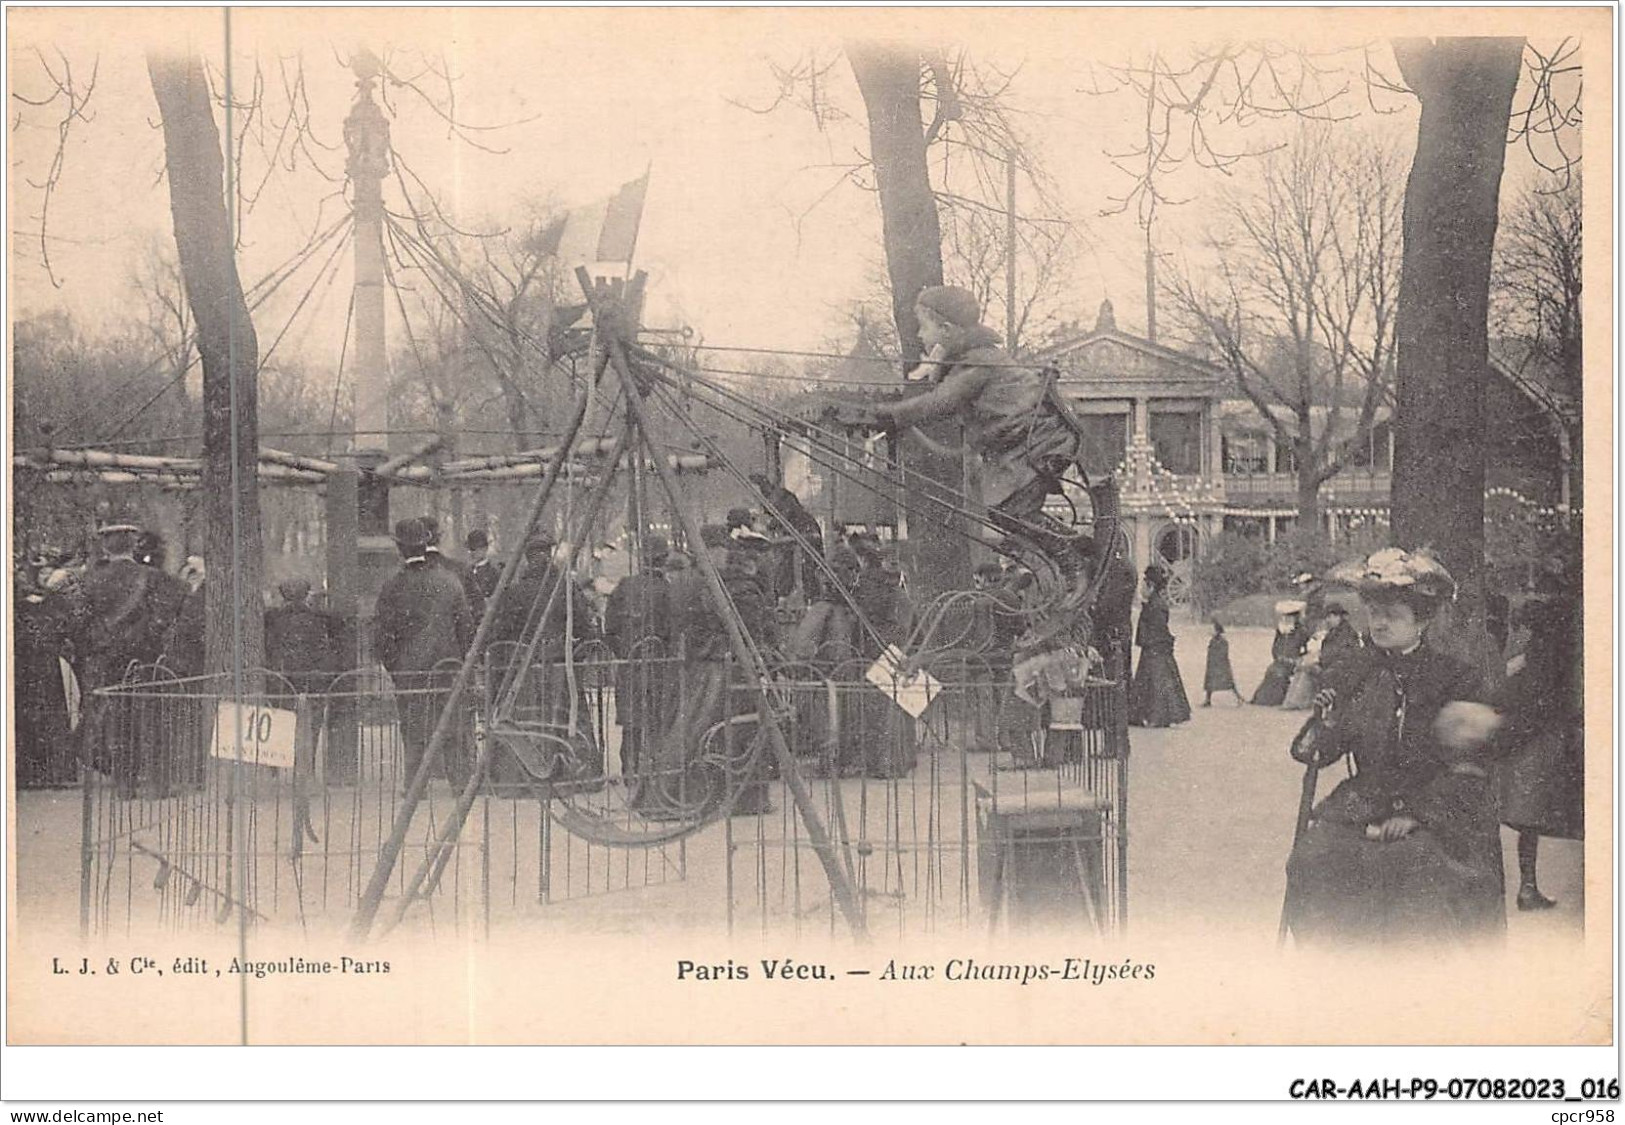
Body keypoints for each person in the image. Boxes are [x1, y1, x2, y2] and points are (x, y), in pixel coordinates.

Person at [1282, 547, 1507, 946]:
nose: (1380, 623)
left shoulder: (1455, 678)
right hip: (1366, 797)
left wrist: (1418, 814)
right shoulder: (1356, 670)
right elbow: (1321, 753)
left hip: (1435, 806)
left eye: (1394, 615)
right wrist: (1329, 720)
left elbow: (1470, 766)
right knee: (1312, 858)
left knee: (1415, 870)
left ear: (1421, 621)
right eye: (1374, 612)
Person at [866, 287, 1098, 600]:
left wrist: (885, 415)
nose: (920, 335)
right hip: (1027, 444)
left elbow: (940, 403)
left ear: (947, 330)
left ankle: (1072, 561)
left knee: (1011, 511)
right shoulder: (975, 359)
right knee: (1006, 512)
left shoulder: (978, 364)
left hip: (1037, 443)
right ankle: (1072, 544)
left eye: (925, 327)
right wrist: (935, 367)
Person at [1496, 583, 1583, 911]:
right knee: (1533, 817)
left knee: (1529, 818)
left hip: (1531, 742)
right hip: (1542, 743)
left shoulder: (1533, 654)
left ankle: (1527, 888)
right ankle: (1527, 888)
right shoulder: (1553, 654)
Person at [373, 518, 475, 790]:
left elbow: (382, 635)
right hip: (447, 667)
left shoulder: (392, 586)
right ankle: (459, 783)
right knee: (451, 723)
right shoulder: (449, 582)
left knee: (413, 727)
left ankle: (415, 785)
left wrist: (395, 668)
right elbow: (466, 628)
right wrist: (461, 661)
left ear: (400, 549)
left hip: (409, 672)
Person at [603, 535, 676, 779]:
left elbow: (609, 628)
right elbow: (673, 630)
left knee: (632, 721)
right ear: (664, 560)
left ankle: (630, 769)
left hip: (630, 663)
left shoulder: (624, 586)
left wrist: (624, 652)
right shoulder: (667, 590)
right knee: (657, 717)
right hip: (659, 664)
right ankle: (654, 769)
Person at [1128, 566, 1191, 728]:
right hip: (1154, 648)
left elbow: (1157, 629)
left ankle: (1157, 716)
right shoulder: (1154, 603)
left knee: (1156, 682)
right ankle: (1150, 715)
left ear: (1151, 586)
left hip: (1155, 648)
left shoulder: (1156, 605)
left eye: (1144, 585)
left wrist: (1151, 643)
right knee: (1152, 681)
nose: (1141, 589)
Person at [749, 472, 825, 600]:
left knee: (805, 577)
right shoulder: (782, 508)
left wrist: (778, 541)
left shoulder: (801, 517)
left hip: (805, 562)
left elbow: (808, 538)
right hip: (793, 559)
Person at [264, 577, 337, 697]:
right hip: (311, 671)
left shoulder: (273, 618)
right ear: (306, 595)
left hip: (284, 671)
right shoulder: (319, 617)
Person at [1252, 602, 1308, 706]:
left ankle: (1275, 699)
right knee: (1271, 670)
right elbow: (1275, 647)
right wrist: (1278, 656)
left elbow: (1306, 649)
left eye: (1290, 616)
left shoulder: (1302, 631)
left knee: (1279, 672)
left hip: (1293, 662)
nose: (1286, 619)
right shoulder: (1281, 631)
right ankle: (1263, 699)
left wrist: (1296, 658)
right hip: (1280, 661)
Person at [462, 529, 503, 623]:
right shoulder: (466, 572)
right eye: (469, 549)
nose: (471, 553)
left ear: (484, 549)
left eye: (474, 549)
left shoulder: (494, 572)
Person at [1202, 620, 1242, 707]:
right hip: (1214, 664)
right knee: (1211, 683)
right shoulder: (1213, 640)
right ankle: (1208, 700)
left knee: (1228, 683)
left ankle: (1238, 698)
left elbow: (1223, 653)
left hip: (1220, 665)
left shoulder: (1222, 641)